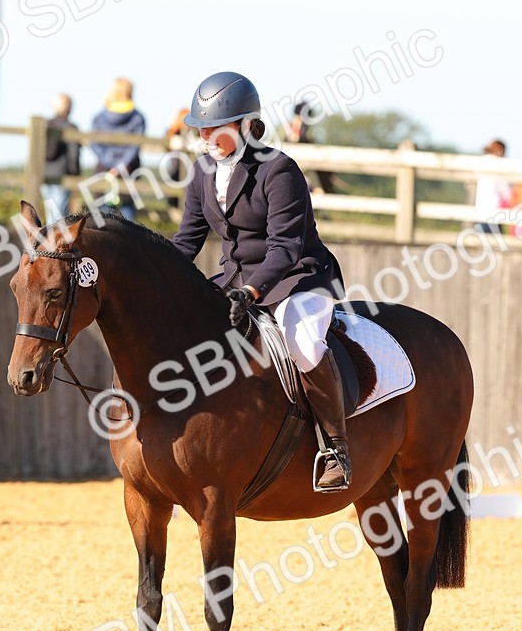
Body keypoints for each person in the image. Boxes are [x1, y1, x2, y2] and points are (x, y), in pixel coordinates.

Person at [172, 70, 351, 491]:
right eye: (201, 129)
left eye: (214, 128)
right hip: (233, 279)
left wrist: (252, 292)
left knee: (303, 345)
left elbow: (285, 247)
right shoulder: (201, 174)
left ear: (245, 125)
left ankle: (335, 448)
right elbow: (187, 241)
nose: (205, 138)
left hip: (297, 278)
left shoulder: (279, 170)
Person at [90, 78, 146, 219]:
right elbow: (135, 145)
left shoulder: (98, 118)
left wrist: (109, 162)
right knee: (127, 215)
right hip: (129, 169)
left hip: (104, 169)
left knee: (103, 219)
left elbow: (94, 142)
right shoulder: (138, 118)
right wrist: (121, 166)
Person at [40, 93, 80, 223]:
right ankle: (53, 242)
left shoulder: (45, 125)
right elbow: (74, 154)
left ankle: (50, 240)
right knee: (57, 218)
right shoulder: (71, 127)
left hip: (44, 174)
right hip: (62, 176)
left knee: (50, 214)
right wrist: (75, 174)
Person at [474, 139, 511, 233]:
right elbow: (504, 189)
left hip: (480, 208)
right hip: (494, 208)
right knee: (495, 242)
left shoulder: (481, 161)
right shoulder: (499, 163)